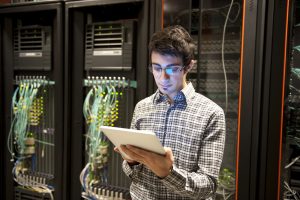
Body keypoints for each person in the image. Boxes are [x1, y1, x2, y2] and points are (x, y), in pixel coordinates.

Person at [115, 25, 226, 200]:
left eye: (172, 69)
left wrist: (167, 172)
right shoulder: (142, 107)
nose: (162, 78)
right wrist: (131, 161)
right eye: (157, 68)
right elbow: (133, 176)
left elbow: (208, 185)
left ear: (189, 66)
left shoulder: (211, 114)